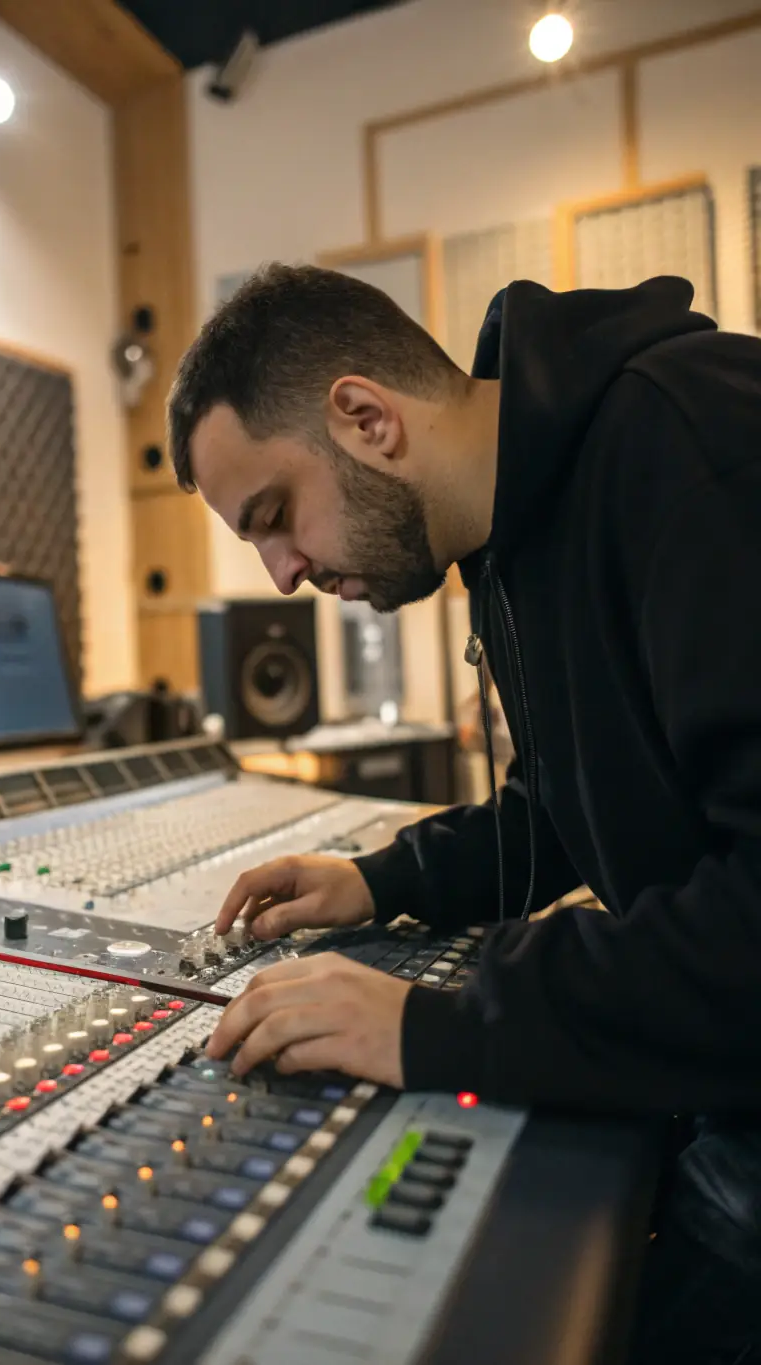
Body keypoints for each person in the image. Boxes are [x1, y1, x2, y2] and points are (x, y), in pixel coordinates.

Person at [165, 263, 761, 1364]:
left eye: (274, 516)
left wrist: (437, 1024)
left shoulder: (695, 442)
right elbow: (582, 795)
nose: (282, 576)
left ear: (365, 417)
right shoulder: (514, 538)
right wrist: (386, 881)